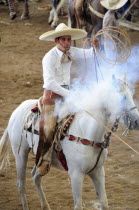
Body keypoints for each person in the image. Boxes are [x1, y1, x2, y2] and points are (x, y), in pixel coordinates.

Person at [36, 23, 99, 176]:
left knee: (89, 114)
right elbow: (50, 83)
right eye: (63, 40)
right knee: (49, 127)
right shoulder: (48, 58)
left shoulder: (71, 51)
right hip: (52, 97)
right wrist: (69, 94)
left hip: (69, 93)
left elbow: (90, 54)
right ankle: (44, 160)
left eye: (69, 40)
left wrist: (96, 46)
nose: (67, 43)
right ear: (56, 41)